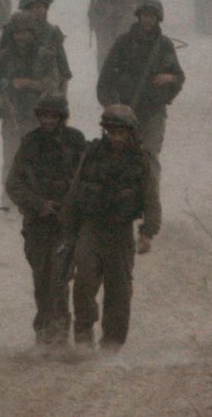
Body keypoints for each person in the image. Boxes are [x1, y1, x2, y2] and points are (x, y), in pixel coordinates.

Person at [61, 105, 160, 351]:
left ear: (130, 133)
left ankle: (112, 345)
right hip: (91, 228)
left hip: (121, 232)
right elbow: (75, 192)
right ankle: (84, 337)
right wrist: (68, 231)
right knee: (83, 284)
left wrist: (148, 232)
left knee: (119, 291)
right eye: (112, 132)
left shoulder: (140, 160)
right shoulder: (92, 154)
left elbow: (151, 198)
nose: (116, 138)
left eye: (121, 133)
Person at [5, 97, 87, 346]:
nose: (49, 121)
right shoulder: (30, 143)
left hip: (67, 225)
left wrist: (71, 207)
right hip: (37, 225)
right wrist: (40, 205)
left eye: (54, 116)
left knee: (60, 279)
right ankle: (43, 335)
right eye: (44, 116)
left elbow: (86, 179)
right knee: (42, 281)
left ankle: (60, 335)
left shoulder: (76, 142)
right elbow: (14, 184)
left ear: (62, 117)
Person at [95, 0, 183, 177]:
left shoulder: (164, 45)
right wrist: (112, 107)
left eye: (152, 16)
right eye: (144, 15)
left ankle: (151, 202)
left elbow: (179, 77)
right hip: (124, 114)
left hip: (152, 112)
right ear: (138, 16)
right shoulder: (123, 42)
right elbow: (105, 81)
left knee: (149, 160)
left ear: (158, 18)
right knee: (119, 161)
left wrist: (170, 78)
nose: (148, 19)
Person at [0, 12, 60, 190]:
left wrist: (31, 84)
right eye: (18, 32)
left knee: (39, 161)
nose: (22, 36)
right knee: (11, 160)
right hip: (12, 115)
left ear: (33, 33)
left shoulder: (45, 56)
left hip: (40, 118)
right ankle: (10, 198)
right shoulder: (3, 57)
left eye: (26, 32)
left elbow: (53, 85)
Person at [0, 0, 72, 93]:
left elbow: (63, 66)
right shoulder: (12, 30)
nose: (42, 11)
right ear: (27, 10)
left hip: (43, 88)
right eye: (37, 7)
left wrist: (61, 92)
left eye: (44, 7)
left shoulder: (51, 32)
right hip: (14, 86)